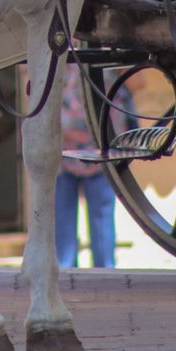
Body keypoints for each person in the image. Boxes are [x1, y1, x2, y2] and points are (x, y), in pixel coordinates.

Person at [55, 83, 116, 269]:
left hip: (99, 150)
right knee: (63, 219)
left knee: (101, 220)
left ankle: (105, 271)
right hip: (64, 152)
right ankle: (66, 270)